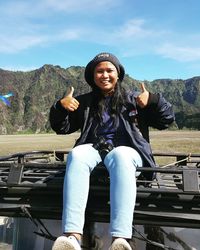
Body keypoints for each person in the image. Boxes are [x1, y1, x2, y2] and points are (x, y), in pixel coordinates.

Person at [49, 52, 175, 250]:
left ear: (118, 74)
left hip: (129, 153)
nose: (104, 75)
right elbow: (61, 127)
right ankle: (72, 236)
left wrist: (153, 100)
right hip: (96, 151)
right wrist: (60, 107)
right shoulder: (85, 103)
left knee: (120, 154)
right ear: (93, 76)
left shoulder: (135, 99)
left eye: (110, 70)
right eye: (99, 71)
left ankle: (121, 238)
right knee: (77, 154)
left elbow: (166, 119)